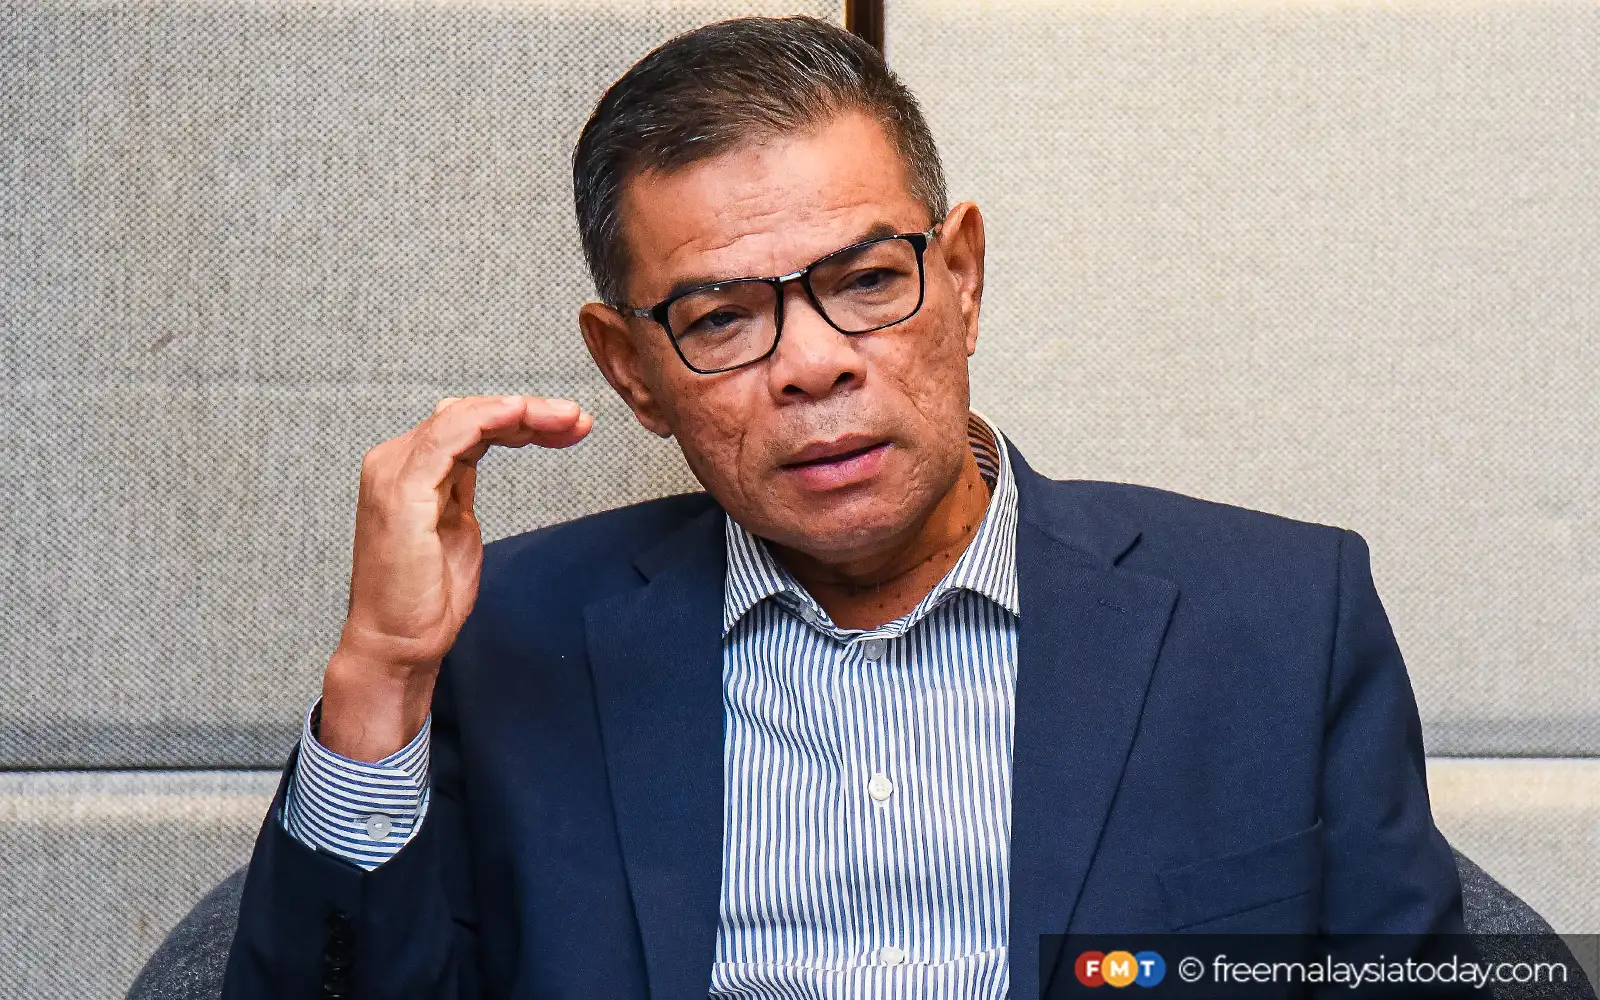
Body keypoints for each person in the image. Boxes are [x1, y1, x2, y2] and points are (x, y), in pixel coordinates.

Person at [222, 15, 1464, 1000]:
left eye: (867, 280)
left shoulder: (1278, 621)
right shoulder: (504, 641)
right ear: (632, 370)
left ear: (961, 278)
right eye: (721, 317)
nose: (812, 364)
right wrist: (379, 679)